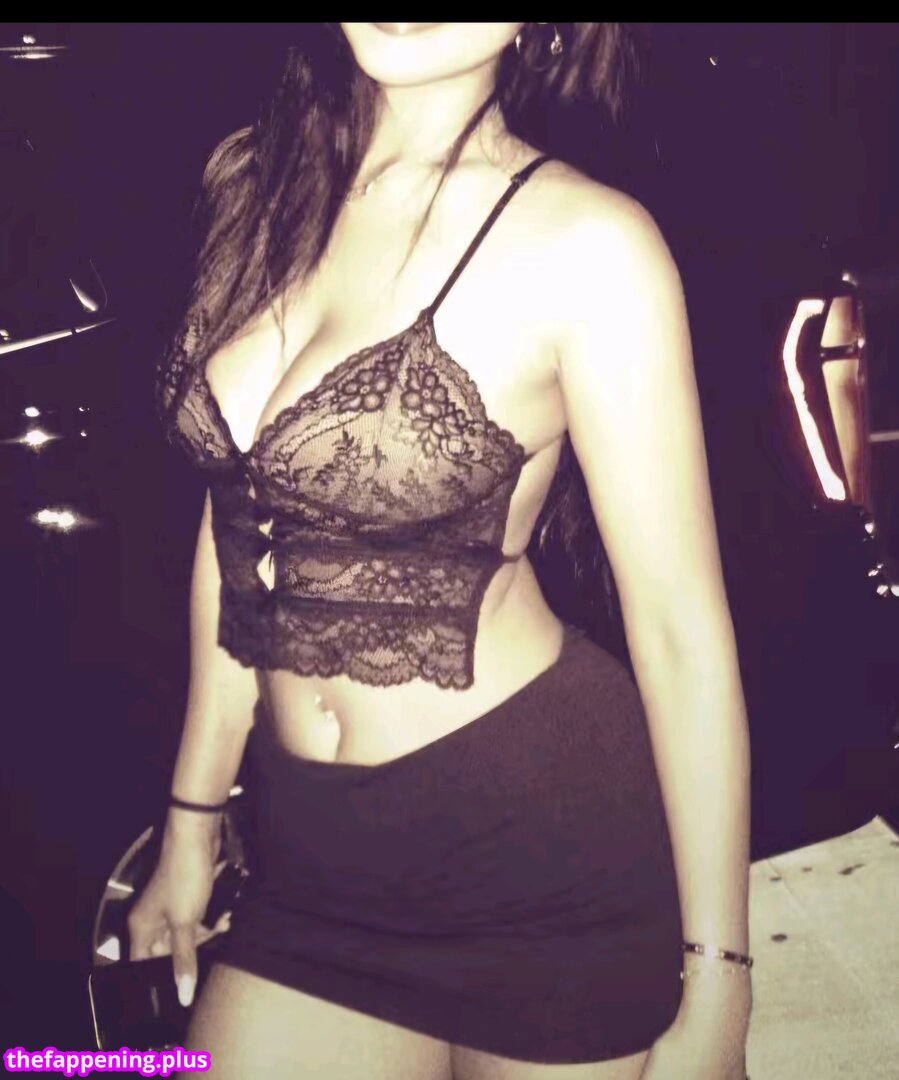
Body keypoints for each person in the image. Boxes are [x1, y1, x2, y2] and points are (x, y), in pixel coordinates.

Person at [134, 22, 753, 1079]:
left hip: (539, 860)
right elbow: (234, 537)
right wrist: (191, 823)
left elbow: (679, 634)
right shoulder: (259, 188)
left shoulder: (587, 245)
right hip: (310, 865)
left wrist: (719, 981)